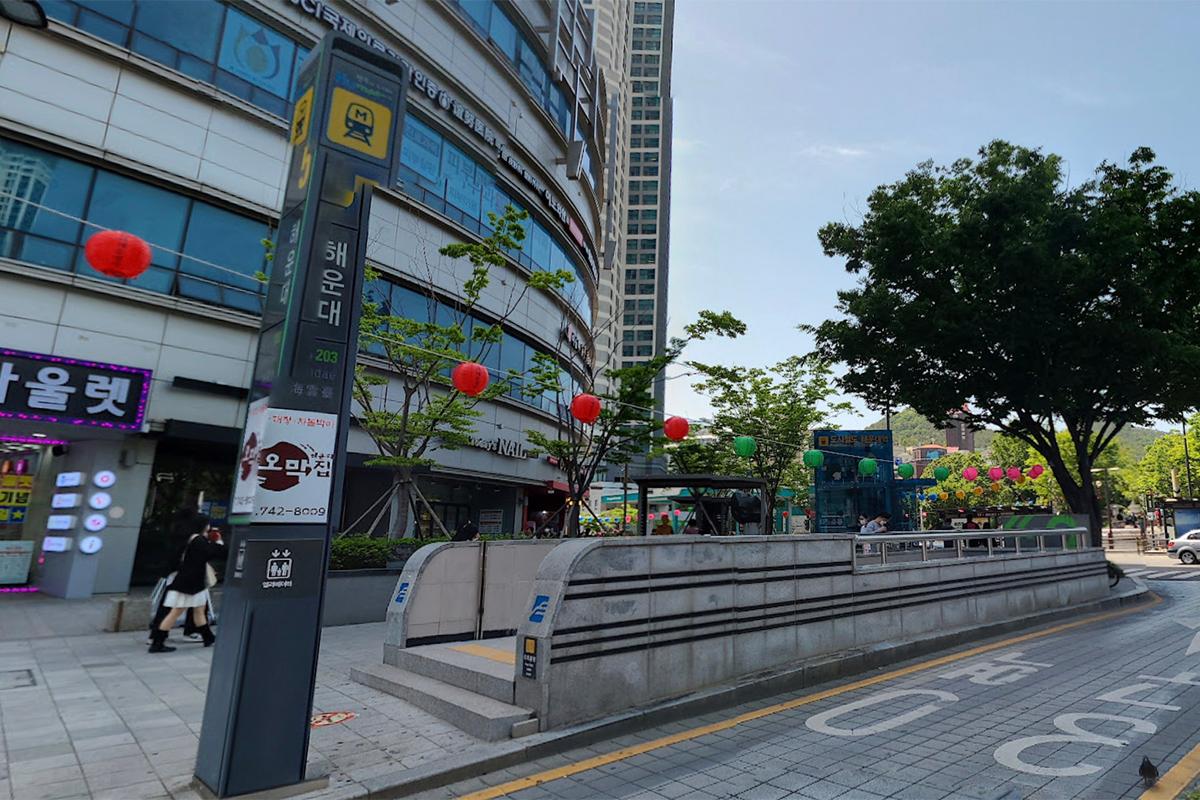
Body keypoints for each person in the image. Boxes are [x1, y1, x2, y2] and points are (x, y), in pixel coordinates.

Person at [150, 511, 225, 653]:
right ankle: (157, 642)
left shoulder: (190, 539)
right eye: (208, 524)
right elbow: (213, 553)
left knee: (199, 610)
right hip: (189, 584)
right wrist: (218, 541)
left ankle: (208, 637)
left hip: (191, 582)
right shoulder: (198, 540)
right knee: (177, 611)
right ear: (203, 525)